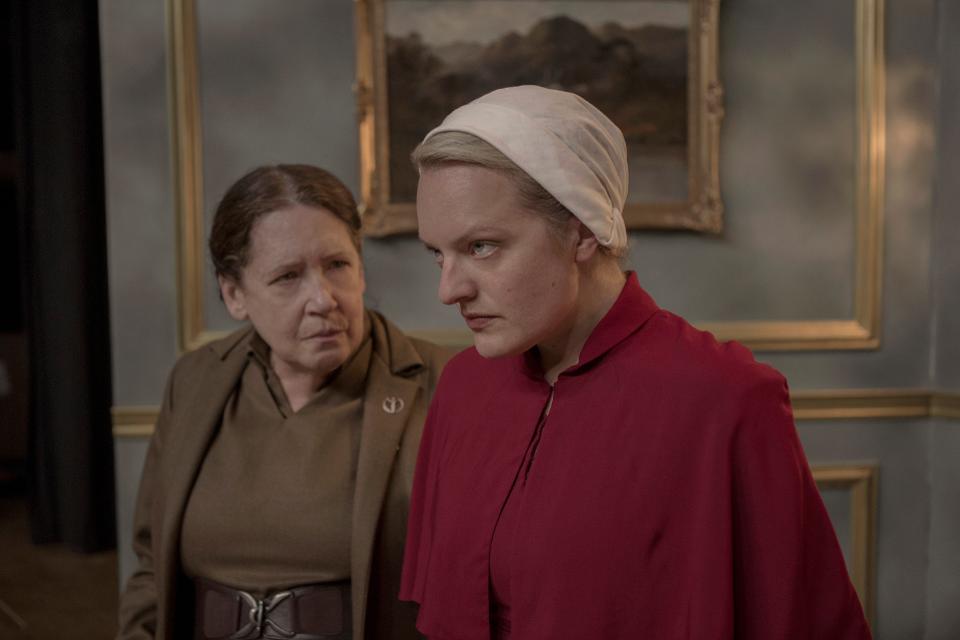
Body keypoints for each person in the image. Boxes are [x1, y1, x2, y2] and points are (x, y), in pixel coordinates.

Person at [400, 86, 871, 639]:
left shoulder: (726, 401)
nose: (448, 290)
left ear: (580, 230)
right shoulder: (463, 387)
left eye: (481, 247)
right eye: (437, 254)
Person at [117, 164, 449, 640]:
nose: (323, 299)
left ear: (360, 269)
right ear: (234, 294)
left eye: (337, 265)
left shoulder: (442, 384)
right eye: (288, 276)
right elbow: (152, 566)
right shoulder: (194, 381)